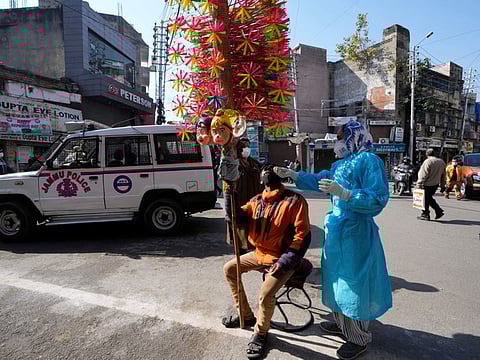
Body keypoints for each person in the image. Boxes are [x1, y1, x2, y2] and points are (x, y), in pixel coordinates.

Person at [274, 120, 392, 360]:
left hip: (356, 233)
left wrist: (347, 194)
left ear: (353, 138)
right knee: (336, 280)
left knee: (354, 283)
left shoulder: (369, 161)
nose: (337, 143)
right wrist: (295, 175)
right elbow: (320, 180)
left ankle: (358, 337)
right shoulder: (341, 164)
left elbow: (378, 198)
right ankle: (342, 323)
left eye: (340, 138)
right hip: (337, 232)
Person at [222, 164, 311, 359]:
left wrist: (286, 261)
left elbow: (302, 237)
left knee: (265, 294)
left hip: (282, 258)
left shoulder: (295, 201)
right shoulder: (256, 200)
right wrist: (229, 193)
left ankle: (260, 333)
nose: (267, 174)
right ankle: (245, 315)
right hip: (260, 253)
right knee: (229, 269)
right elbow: (236, 217)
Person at [225, 138, 263, 254]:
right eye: (243, 147)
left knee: (256, 234)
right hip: (240, 202)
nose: (246, 149)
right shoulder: (234, 165)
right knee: (240, 234)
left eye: (248, 146)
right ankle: (240, 259)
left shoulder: (255, 164)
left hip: (255, 202)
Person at [416, 148, 446, 221]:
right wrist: (442, 185)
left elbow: (423, 174)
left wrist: (419, 184)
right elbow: (443, 175)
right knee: (428, 198)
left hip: (426, 184)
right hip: (435, 184)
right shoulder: (441, 162)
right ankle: (438, 211)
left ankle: (426, 214)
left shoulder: (428, 161)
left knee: (425, 200)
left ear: (427, 154)